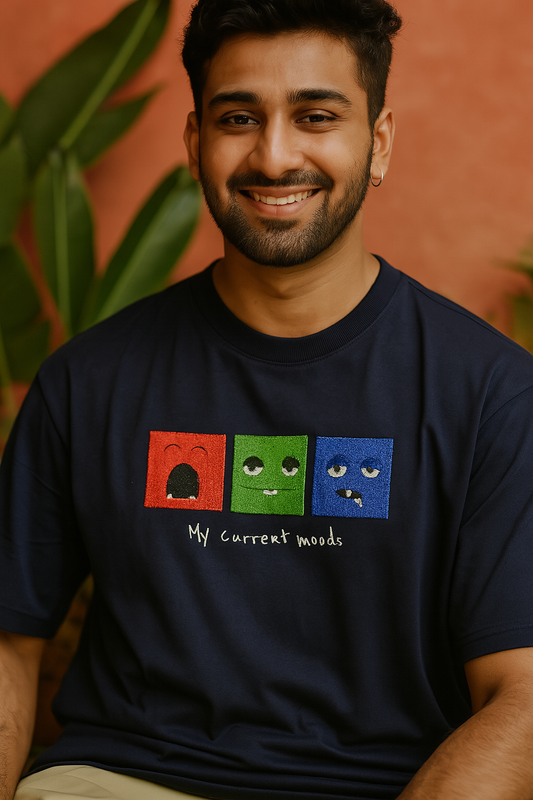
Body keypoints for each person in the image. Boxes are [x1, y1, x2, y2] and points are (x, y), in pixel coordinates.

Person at [2, 0, 533, 798]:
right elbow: (9, 646)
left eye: (316, 115)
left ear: (377, 142)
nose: (274, 155)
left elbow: (520, 694)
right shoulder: (86, 381)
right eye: (238, 117)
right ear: (195, 142)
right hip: (122, 779)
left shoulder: (490, 391)